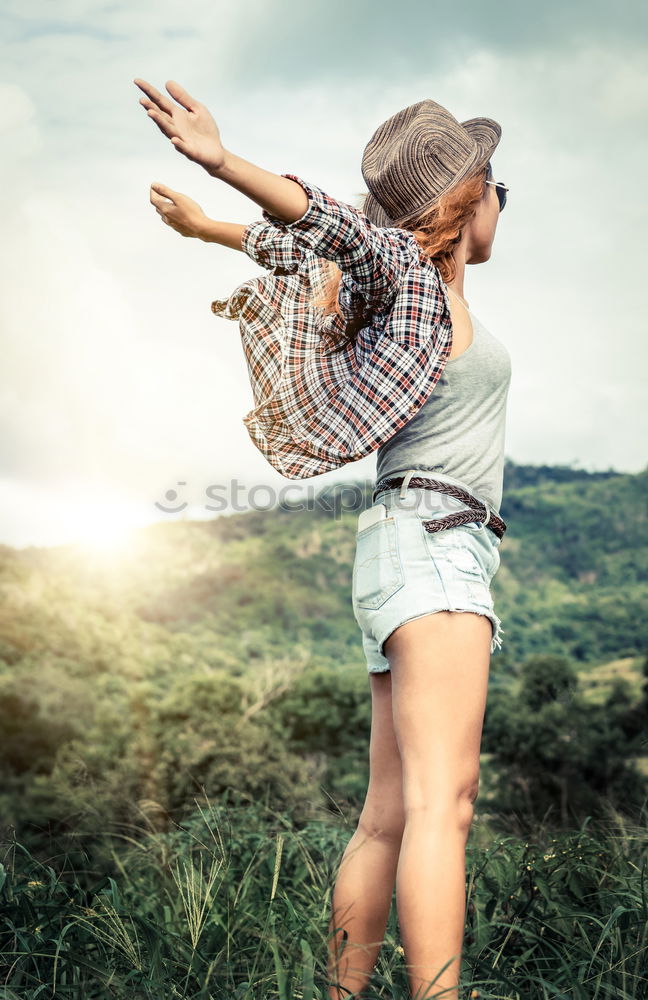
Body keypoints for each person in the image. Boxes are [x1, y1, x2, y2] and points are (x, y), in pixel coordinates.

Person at [134, 78, 512, 1000]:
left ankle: (342, 995)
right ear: (465, 199)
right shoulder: (414, 285)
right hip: (437, 545)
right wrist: (223, 163)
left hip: (400, 545)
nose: (506, 203)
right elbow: (331, 228)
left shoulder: (403, 293)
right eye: (501, 185)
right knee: (441, 808)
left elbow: (302, 254)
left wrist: (206, 230)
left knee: (388, 814)